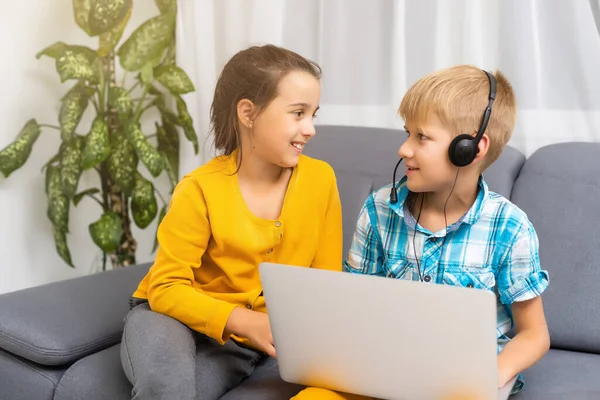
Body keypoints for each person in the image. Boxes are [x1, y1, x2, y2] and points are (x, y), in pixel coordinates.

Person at [293, 65, 550, 399]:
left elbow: (534, 335)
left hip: (463, 383)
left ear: (469, 149)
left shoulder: (509, 228)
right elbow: (355, 306)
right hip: (385, 363)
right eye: (407, 133)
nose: (404, 149)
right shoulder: (380, 209)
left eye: (422, 137)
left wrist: (493, 375)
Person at [119, 44, 343, 400]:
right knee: (168, 388)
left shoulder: (321, 180)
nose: (311, 128)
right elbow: (165, 288)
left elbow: (324, 282)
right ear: (248, 113)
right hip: (170, 315)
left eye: (313, 114)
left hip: (240, 346)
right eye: (298, 113)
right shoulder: (199, 188)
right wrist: (244, 320)